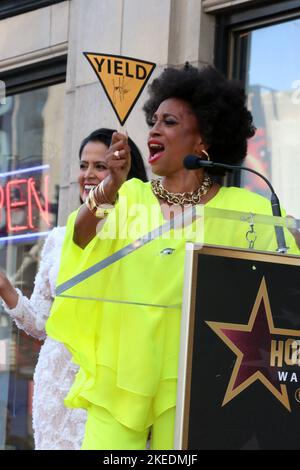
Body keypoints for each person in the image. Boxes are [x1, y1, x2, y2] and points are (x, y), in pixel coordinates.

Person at [46, 65, 300, 450]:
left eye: (169, 121)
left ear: (203, 140)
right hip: (122, 373)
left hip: (199, 376)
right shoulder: (128, 197)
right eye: (153, 121)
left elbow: (286, 280)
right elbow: (81, 239)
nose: (154, 130)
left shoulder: (246, 208)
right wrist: (109, 186)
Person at [0, 128, 147, 450]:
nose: (89, 175)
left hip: (112, 389)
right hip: (55, 390)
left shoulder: (142, 236)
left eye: (100, 166)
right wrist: (4, 286)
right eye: (84, 166)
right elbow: (40, 324)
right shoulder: (58, 237)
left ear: (124, 172)